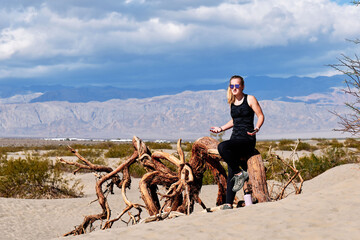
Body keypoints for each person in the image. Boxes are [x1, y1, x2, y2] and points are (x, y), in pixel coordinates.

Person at [210, 75, 264, 210]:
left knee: (222, 146)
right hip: (235, 138)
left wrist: (257, 128)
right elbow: (235, 121)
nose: (234, 88)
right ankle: (228, 203)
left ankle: (240, 174)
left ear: (242, 86)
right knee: (231, 168)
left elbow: (261, 115)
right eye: (231, 86)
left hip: (247, 139)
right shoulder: (232, 102)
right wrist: (221, 128)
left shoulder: (250, 99)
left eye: (237, 85)